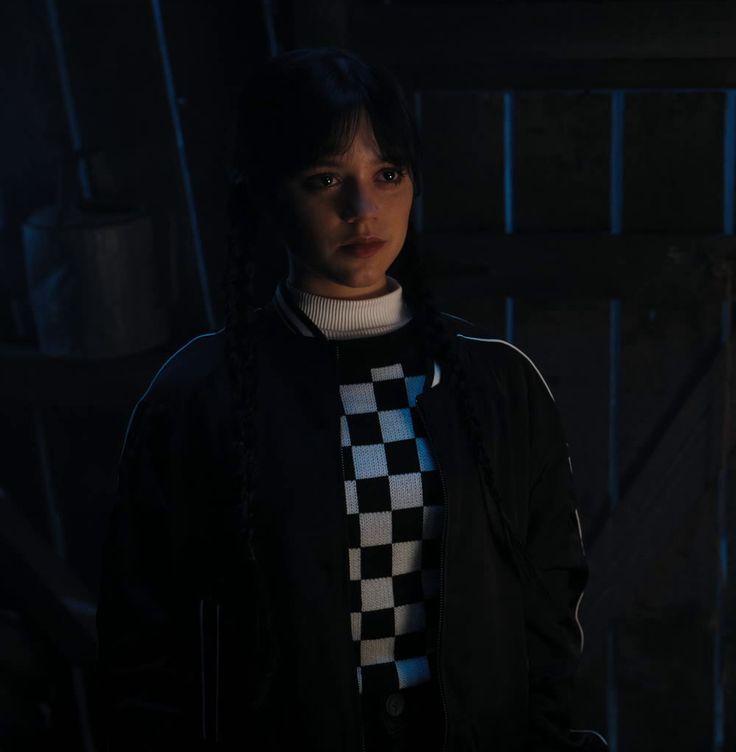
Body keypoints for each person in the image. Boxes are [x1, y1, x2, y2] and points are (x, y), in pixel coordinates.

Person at [96, 47, 607, 752]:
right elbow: (142, 644)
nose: (363, 209)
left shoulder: (499, 383)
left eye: (387, 174)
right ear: (270, 193)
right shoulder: (196, 396)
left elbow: (549, 608)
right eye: (326, 178)